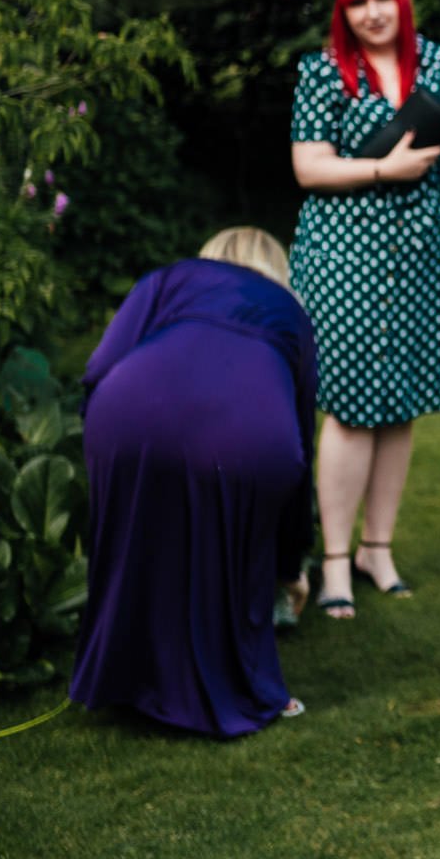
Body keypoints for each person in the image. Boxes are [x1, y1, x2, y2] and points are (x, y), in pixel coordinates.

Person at [288, 0, 440, 620]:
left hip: (424, 255)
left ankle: (379, 548)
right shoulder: (323, 73)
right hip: (346, 258)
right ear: (344, 9)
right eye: (357, 1)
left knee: (400, 401)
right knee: (348, 405)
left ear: (400, 1)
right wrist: (383, 170)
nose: (371, 12)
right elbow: (308, 168)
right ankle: (337, 559)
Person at [68, 228, 317, 736]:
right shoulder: (290, 311)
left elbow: (98, 367)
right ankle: (240, 690)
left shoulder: (169, 278)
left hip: (130, 413)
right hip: (250, 436)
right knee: (235, 552)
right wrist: (291, 564)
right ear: (276, 268)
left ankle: (126, 680)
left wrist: (104, 434)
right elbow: (302, 439)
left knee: (144, 539)